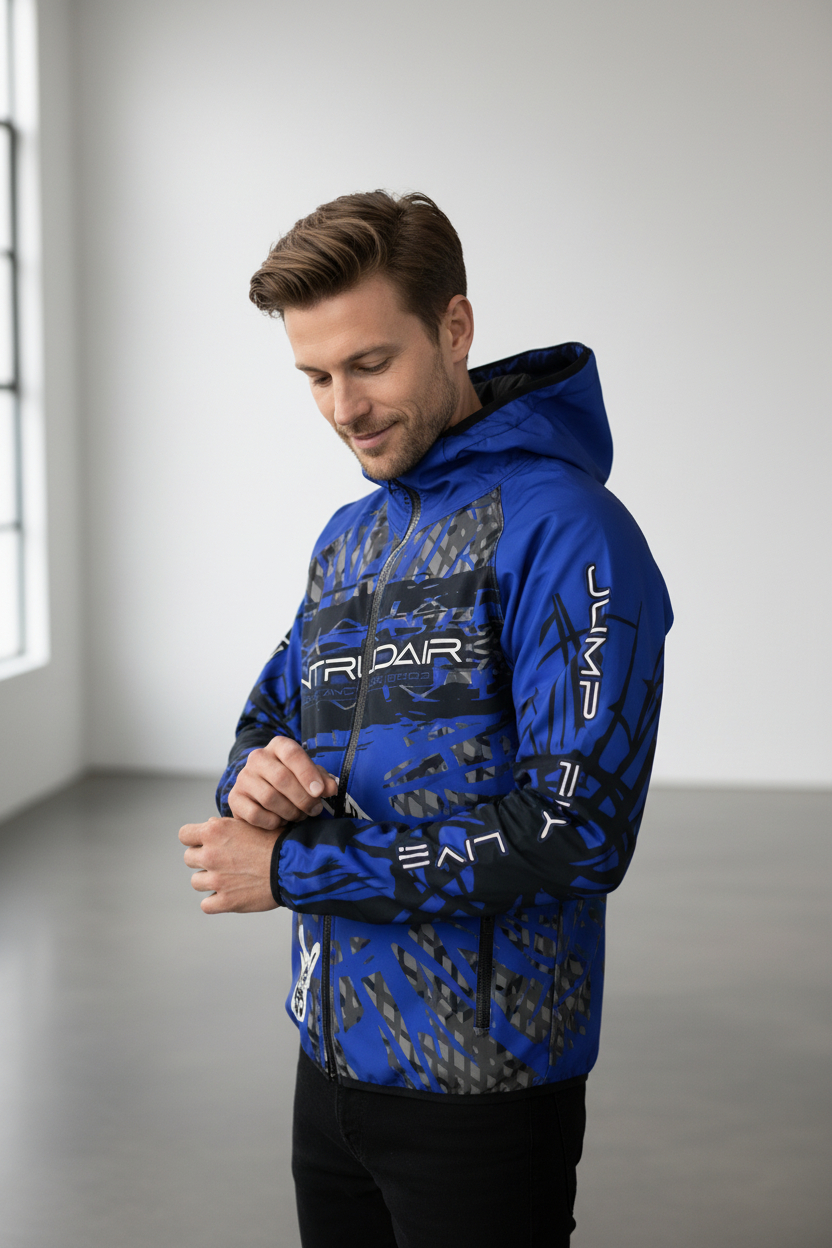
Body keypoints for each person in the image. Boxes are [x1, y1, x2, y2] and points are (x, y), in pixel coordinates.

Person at [179, 190, 673, 1248]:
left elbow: (575, 834)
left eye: (370, 364)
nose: (344, 408)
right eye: (315, 377)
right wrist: (254, 779)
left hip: (485, 1092)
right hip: (329, 1068)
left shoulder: (570, 532)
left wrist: (291, 869)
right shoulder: (349, 537)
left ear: (454, 328)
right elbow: (265, 716)